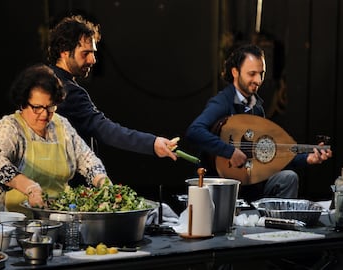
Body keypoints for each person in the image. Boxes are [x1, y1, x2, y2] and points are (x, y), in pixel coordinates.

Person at [185, 44, 332, 202]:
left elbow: (267, 152)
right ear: (235, 72)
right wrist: (229, 151)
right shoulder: (222, 102)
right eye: (252, 74)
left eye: (261, 74)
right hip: (220, 186)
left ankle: (276, 224)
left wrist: (306, 158)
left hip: (251, 185)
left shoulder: (257, 108)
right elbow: (194, 131)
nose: (258, 80)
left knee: (288, 178)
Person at [46, 15, 177, 185]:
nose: (93, 60)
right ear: (64, 52)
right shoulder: (69, 91)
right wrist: (152, 143)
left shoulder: (42, 80)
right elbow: (106, 129)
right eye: (85, 53)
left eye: (93, 53)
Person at [0, 64, 110, 215]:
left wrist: (103, 184)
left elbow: (87, 159)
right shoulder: (11, 126)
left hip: (53, 220)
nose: (45, 114)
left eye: (50, 107)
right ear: (23, 103)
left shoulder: (62, 126)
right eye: (37, 107)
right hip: (5, 223)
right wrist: (30, 187)